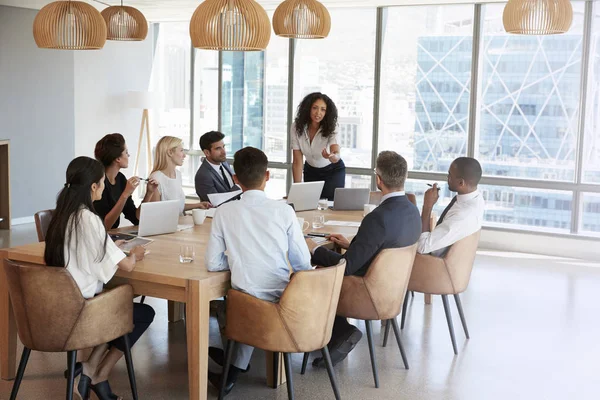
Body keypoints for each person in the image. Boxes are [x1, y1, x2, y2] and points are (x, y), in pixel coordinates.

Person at [44, 156, 155, 400]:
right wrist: (134, 254)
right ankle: (96, 373)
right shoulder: (89, 219)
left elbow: (87, 251)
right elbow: (125, 265)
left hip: (56, 307)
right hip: (83, 312)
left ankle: (88, 371)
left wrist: (112, 245)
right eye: (102, 183)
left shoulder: (62, 216)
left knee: (121, 308)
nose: (104, 187)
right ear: (93, 186)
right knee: (142, 313)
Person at [205, 147, 312, 396]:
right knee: (245, 298)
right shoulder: (284, 211)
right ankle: (234, 367)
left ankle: (232, 369)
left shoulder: (224, 212)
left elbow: (212, 263)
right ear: (268, 175)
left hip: (247, 304)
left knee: (235, 299)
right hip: (286, 301)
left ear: (235, 179)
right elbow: (303, 264)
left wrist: (238, 262)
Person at [307, 151, 421, 367]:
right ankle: (335, 333)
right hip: (391, 290)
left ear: (378, 179)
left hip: (365, 290)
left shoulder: (378, 217)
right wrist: (353, 245)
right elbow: (388, 247)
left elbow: (347, 266)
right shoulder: (412, 211)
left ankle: (342, 331)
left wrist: (313, 249)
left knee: (313, 274)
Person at [418, 157, 485, 257]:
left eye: (450, 175)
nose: (447, 178)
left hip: (430, 261)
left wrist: (427, 206)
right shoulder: (477, 198)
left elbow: (422, 247)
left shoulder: (461, 216)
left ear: (461, 183)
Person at [93, 133, 159, 230]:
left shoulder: (120, 179)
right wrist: (125, 194)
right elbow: (104, 225)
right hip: (100, 237)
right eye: (126, 152)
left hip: (112, 236)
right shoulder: (98, 183)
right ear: (118, 158)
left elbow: (135, 218)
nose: (128, 155)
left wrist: (149, 193)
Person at [291, 92, 345, 201]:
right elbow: (297, 161)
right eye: (315, 108)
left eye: (323, 109)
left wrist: (332, 156)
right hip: (311, 171)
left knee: (330, 207)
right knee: (308, 204)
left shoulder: (332, 127)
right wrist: (297, 191)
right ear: (307, 108)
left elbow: (336, 152)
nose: (318, 113)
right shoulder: (296, 127)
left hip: (332, 171)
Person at [148, 136, 211, 214]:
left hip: (179, 223)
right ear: (170, 152)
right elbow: (155, 213)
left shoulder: (178, 174)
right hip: (166, 225)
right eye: (181, 150)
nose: (184, 155)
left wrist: (198, 205)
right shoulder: (156, 178)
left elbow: (177, 207)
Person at [194, 131, 240, 202]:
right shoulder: (203, 176)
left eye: (223, 147)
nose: (224, 152)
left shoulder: (224, 163)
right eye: (218, 148)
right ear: (207, 152)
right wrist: (240, 186)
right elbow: (216, 203)